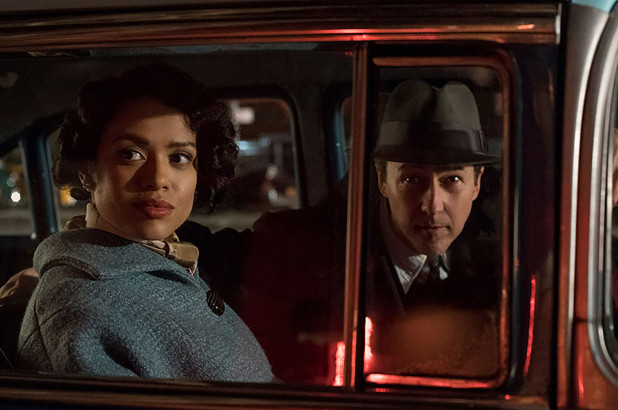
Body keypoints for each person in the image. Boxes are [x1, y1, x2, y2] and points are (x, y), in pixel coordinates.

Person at [15, 64, 273, 382]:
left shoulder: (172, 254)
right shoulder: (79, 306)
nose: (158, 178)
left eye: (180, 158)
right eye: (131, 154)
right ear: (87, 171)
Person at [232, 79, 502, 382]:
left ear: (476, 184)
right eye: (412, 180)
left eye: (452, 180)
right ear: (383, 180)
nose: (433, 205)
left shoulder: (497, 259)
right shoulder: (300, 255)